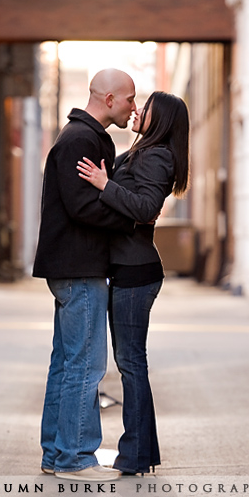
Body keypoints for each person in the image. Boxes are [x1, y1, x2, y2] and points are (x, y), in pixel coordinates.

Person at [77, 91, 190, 475]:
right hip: (127, 269)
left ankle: (137, 454)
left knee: (131, 363)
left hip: (136, 272)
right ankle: (140, 453)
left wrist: (102, 183)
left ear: (161, 121)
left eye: (148, 109)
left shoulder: (158, 156)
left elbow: (145, 209)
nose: (138, 110)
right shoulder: (145, 150)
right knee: (130, 363)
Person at [32, 68, 137, 481]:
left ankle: (56, 454)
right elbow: (83, 207)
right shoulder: (81, 139)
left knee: (65, 363)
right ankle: (76, 457)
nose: (134, 106)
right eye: (130, 99)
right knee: (85, 365)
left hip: (70, 267)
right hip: (79, 267)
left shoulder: (79, 136)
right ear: (109, 99)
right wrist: (130, 219)